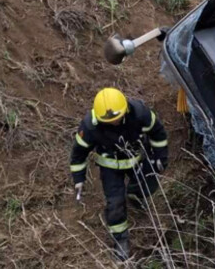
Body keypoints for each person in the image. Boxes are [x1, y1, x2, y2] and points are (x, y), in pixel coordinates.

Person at [69, 88, 169, 260]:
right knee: (115, 204)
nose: (115, 123)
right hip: (110, 167)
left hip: (136, 158)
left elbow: (157, 132)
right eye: (110, 121)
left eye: (117, 118)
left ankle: (135, 195)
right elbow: (79, 153)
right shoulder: (90, 126)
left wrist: (160, 156)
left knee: (149, 182)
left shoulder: (139, 113)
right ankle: (120, 240)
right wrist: (79, 179)